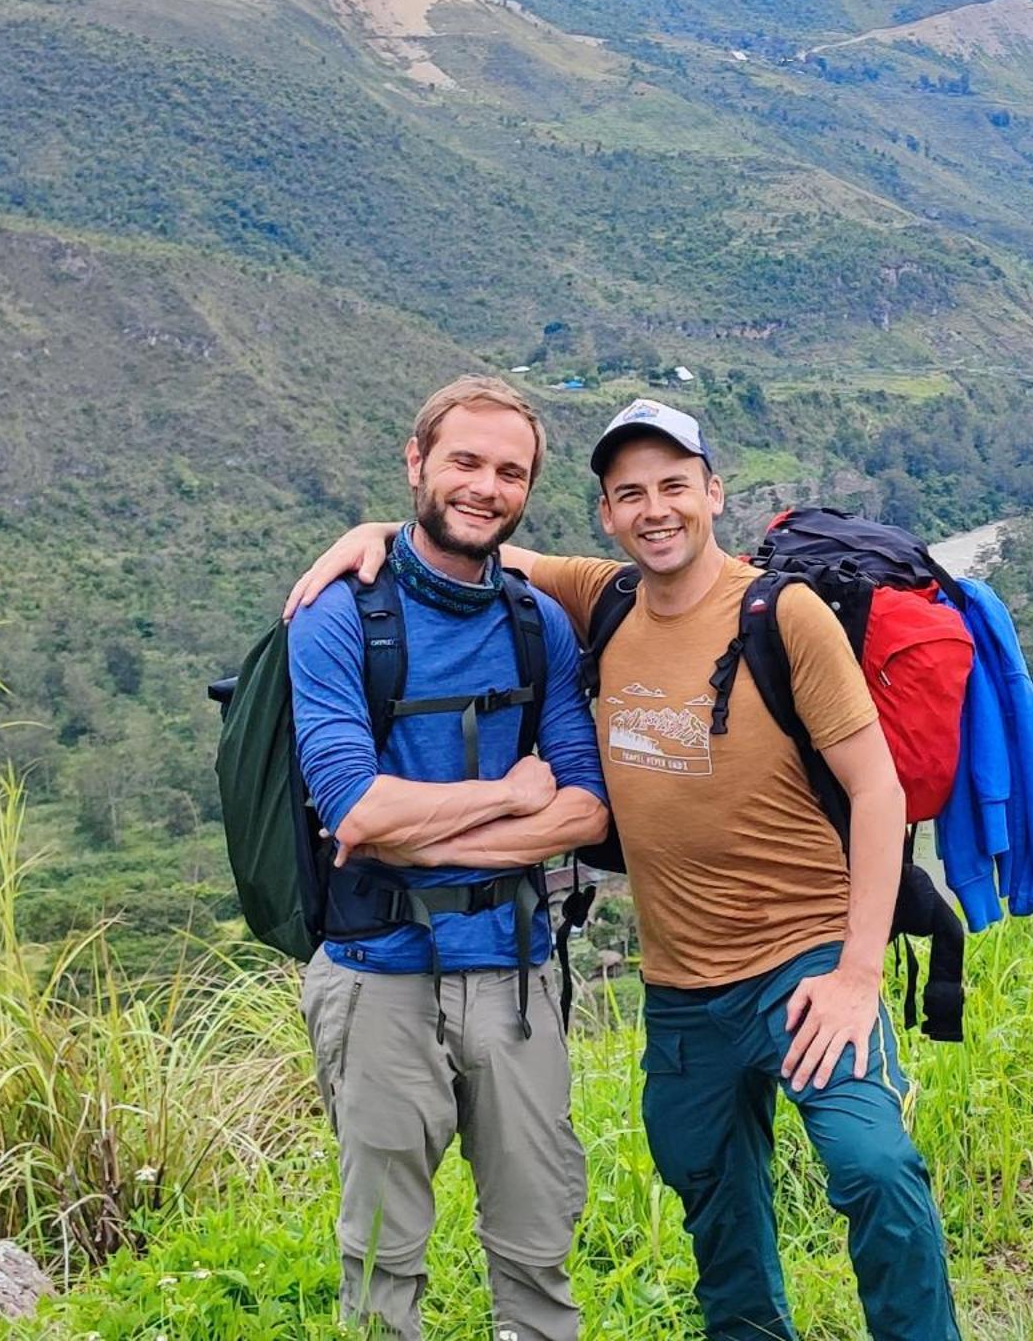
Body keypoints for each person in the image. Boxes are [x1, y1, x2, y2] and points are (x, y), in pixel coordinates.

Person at [289, 398, 964, 1341]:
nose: (656, 510)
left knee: (872, 1167)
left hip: (803, 963)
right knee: (711, 1192)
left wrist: (857, 976)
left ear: (714, 493)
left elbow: (876, 793)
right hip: (682, 985)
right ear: (605, 513)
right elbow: (464, 545)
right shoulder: (600, 600)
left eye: (675, 487)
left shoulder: (783, 614)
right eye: (630, 493)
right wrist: (369, 533)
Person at [286, 376, 608, 1341]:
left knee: (538, 1238)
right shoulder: (339, 616)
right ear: (417, 463)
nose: (486, 486)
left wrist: (415, 832)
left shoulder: (535, 623)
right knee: (382, 1255)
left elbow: (586, 809)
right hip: (378, 969)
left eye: (510, 472)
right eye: (465, 461)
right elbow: (358, 807)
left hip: (513, 971)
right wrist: (510, 796)